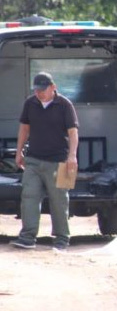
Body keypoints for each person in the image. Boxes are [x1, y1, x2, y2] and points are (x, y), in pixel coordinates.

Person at [10, 72, 79, 251]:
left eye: (42, 90)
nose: (39, 93)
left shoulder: (65, 105)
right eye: (36, 90)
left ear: (53, 88)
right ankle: (27, 237)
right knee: (29, 197)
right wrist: (19, 152)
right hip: (33, 160)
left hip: (59, 161)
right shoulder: (30, 103)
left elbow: (73, 133)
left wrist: (72, 156)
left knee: (59, 201)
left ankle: (62, 239)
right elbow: (24, 129)